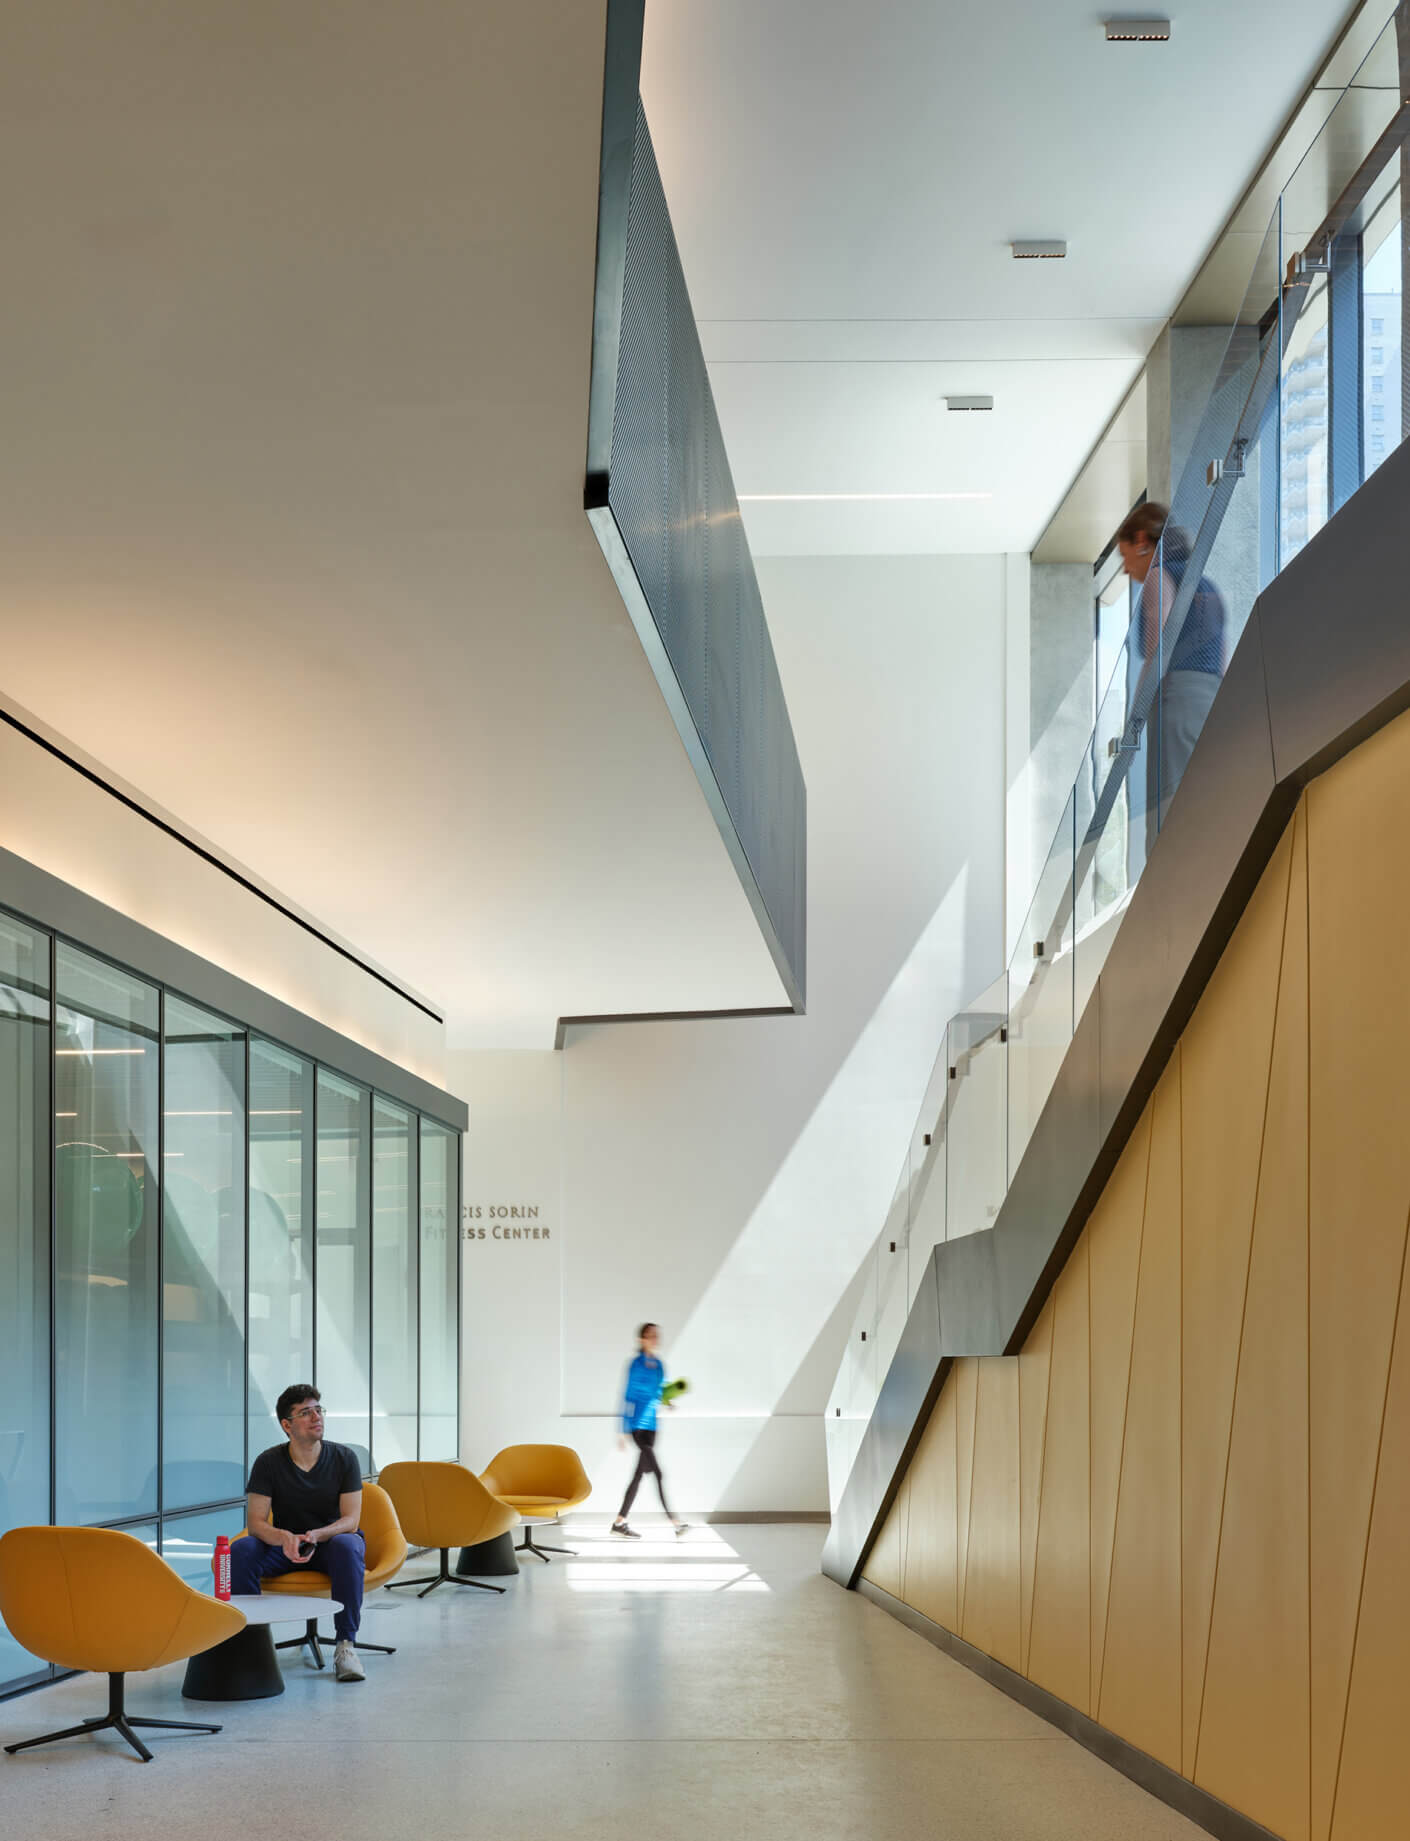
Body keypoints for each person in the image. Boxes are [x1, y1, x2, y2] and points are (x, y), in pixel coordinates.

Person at [230, 1384, 367, 1682]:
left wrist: (317, 1534)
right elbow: (255, 1523)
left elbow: (350, 1520)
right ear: (287, 1425)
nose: (316, 1416)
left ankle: (345, 1645)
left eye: (318, 1409)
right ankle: (251, 1646)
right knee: (240, 1551)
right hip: (284, 1547)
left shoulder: (345, 1458)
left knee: (348, 1543)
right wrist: (284, 1538)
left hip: (329, 1544)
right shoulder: (268, 1462)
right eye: (306, 1412)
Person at [1117, 501, 1226, 846]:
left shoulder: (1158, 576)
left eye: (1124, 557)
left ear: (1141, 541)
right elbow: (1221, 659)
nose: (1124, 570)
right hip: (1211, 705)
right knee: (1203, 805)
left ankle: (1168, 891)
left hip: (1176, 702)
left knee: (1168, 812)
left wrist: (1134, 720)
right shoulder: (1206, 584)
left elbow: (1157, 652)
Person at [612, 1323, 687, 1539]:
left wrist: (669, 1399)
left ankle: (619, 1522)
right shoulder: (635, 1364)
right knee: (658, 1473)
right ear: (641, 1339)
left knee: (638, 1476)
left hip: (653, 1427)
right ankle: (676, 1522)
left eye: (656, 1335)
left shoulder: (660, 1365)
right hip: (637, 1426)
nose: (655, 1338)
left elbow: (662, 1390)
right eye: (650, 1335)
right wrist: (621, 1431)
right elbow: (626, 1396)